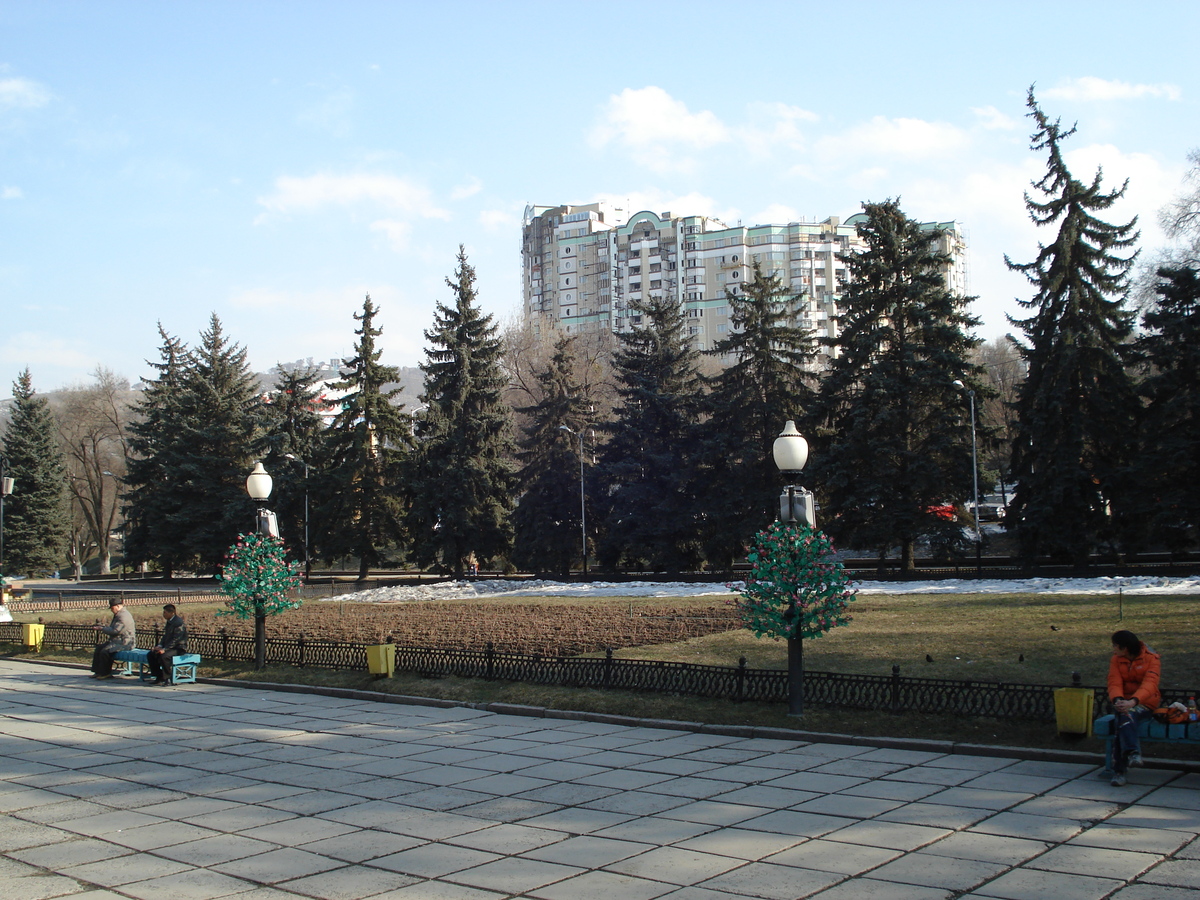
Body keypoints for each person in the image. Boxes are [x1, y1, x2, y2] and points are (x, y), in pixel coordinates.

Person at [1105, 629, 1161, 786]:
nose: (1113, 649)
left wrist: (1133, 702)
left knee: (1122, 719)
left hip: (1144, 702)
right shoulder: (1116, 660)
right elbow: (1114, 682)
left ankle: (1119, 771)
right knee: (1123, 717)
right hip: (1124, 703)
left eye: (1115, 646)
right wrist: (1118, 700)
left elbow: (1150, 684)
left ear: (1125, 648)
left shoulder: (1151, 658)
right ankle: (1133, 753)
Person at [90, 598, 136, 679]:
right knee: (99, 649)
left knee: (105, 652)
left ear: (118, 606)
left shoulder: (123, 616)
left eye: (112, 608)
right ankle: (98, 672)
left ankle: (105, 673)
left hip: (124, 643)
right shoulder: (119, 615)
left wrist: (102, 629)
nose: (111, 610)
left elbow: (116, 631)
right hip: (117, 641)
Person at [146, 604, 187, 686]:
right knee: (151, 654)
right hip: (169, 647)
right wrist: (160, 646)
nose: (163, 614)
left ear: (171, 613)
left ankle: (167, 678)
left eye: (165, 612)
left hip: (178, 647)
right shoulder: (170, 622)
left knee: (164, 656)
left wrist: (165, 649)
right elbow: (166, 636)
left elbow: (176, 639)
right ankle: (158, 676)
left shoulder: (178, 623)